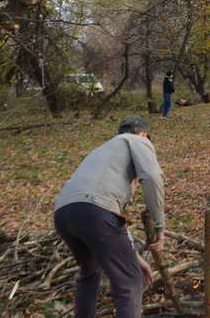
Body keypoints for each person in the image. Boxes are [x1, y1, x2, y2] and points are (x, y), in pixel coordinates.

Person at [54, 116, 164, 318]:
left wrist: (134, 256)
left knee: (89, 273)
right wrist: (160, 227)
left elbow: (113, 217)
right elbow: (152, 177)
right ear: (143, 134)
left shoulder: (103, 150)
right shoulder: (138, 140)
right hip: (94, 211)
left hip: (64, 213)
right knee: (130, 280)